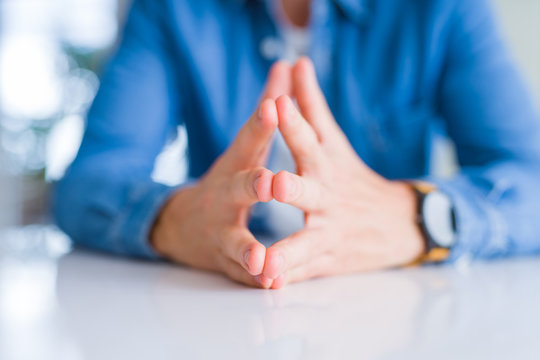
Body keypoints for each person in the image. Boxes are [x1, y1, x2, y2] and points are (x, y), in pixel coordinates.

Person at [54, 0, 540, 289]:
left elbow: (531, 179)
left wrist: (417, 217)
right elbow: (87, 184)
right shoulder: (170, 10)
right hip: (219, 308)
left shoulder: (445, 8)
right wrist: (174, 220)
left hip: (389, 307)